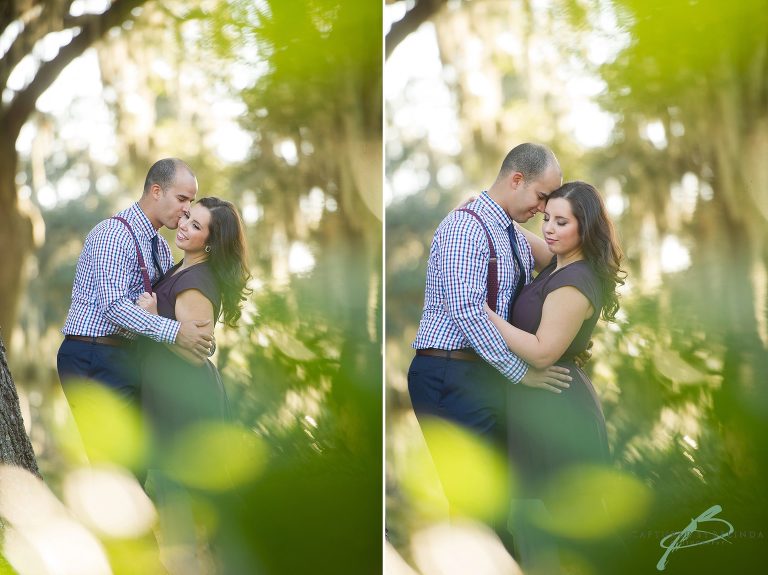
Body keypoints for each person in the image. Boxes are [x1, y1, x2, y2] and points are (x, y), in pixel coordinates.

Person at [407, 143, 572, 541]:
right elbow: (467, 310)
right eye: (540, 197)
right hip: (450, 373)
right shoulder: (466, 227)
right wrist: (522, 373)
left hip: (481, 376)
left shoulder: (506, 229)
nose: (542, 210)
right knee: (476, 513)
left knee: (497, 510)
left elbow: (554, 257)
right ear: (517, 179)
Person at [483, 181, 626, 571]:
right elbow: (512, 229)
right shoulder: (558, 261)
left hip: (558, 405)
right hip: (535, 403)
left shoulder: (576, 282)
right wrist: (482, 205)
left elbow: (544, 350)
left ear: (586, 228)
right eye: (547, 218)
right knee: (530, 526)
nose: (549, 228)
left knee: (556, 526)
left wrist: (486, 315)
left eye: (562, 222)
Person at [135, 196, 251, 574]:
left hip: (184, 404)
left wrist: (153, 320)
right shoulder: (181, 269)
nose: (184, 225)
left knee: (181, 499)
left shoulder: (195, 284)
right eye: (187, 216)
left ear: (211, 242)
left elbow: (195, 353)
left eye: (196, 225)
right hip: (170, 397)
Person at [56, 158, 214, 408]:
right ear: (156, 192)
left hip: (129, 359)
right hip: (94, 356)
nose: (187, 209)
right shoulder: (113, 234)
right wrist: (176, 333)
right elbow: (114, 306)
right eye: (182, 198)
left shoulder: (161, 247)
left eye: (191, 202)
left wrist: (200, 337)